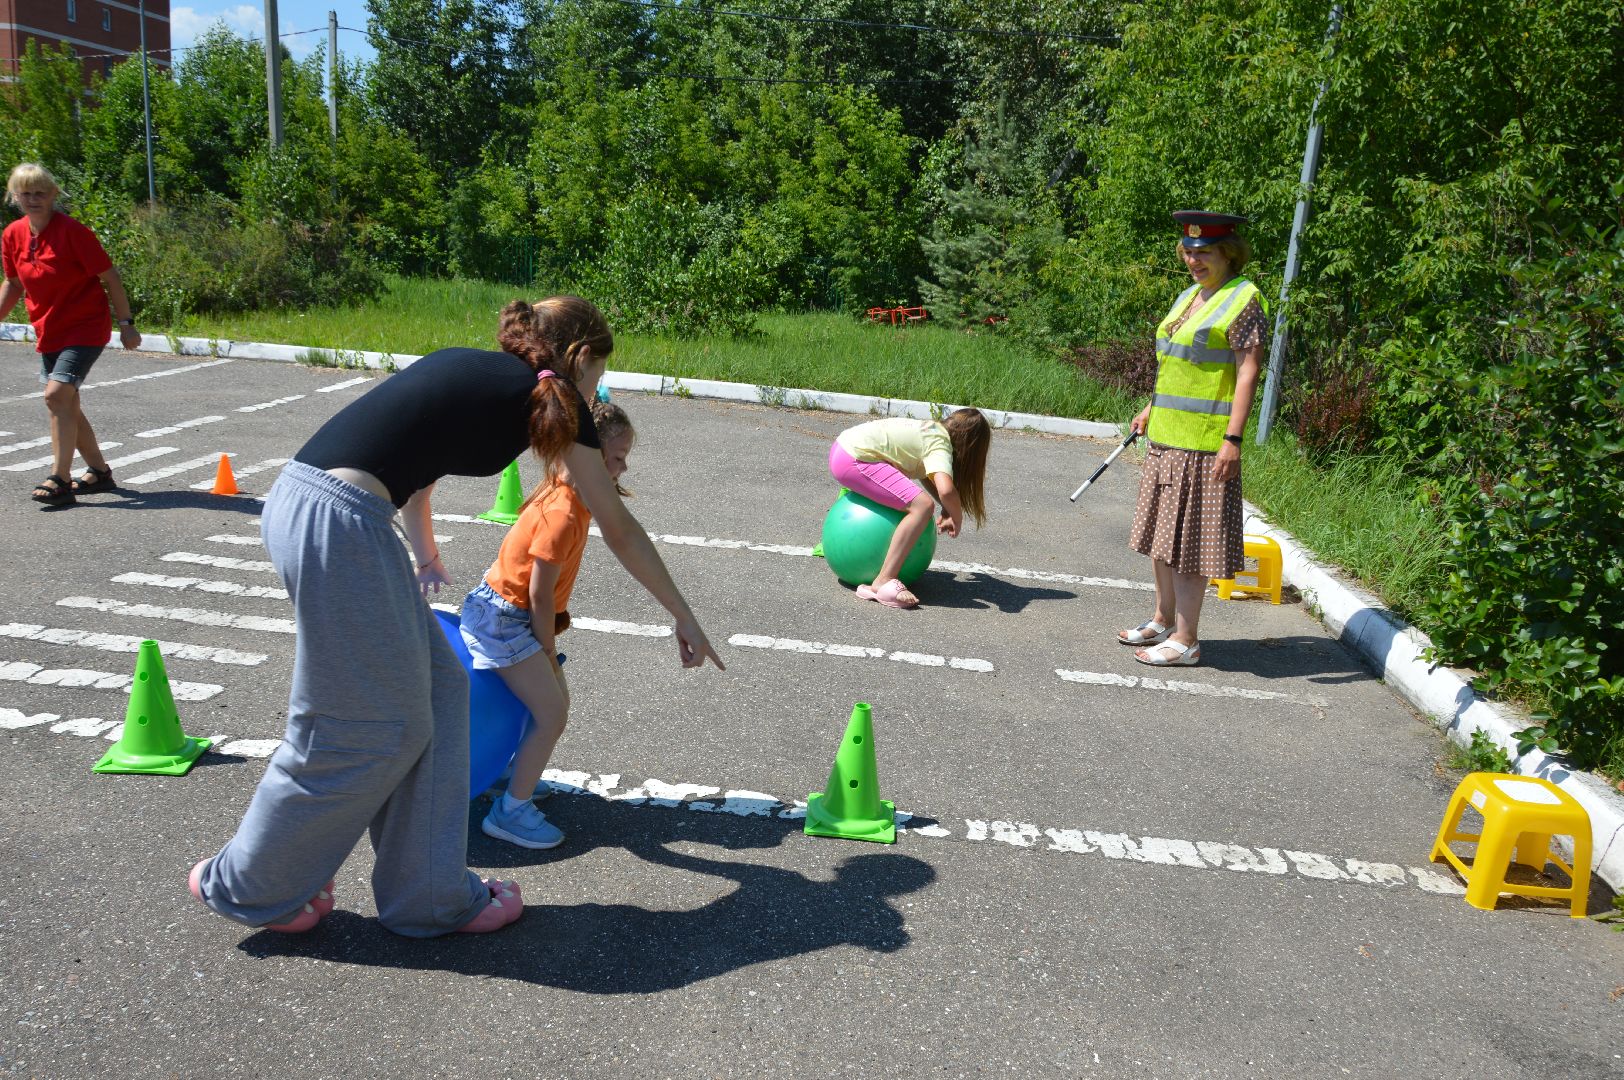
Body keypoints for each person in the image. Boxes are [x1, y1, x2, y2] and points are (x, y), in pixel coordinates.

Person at [188, 296, 724, 937]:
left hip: (326, 512)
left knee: (439, 702)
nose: (596, 389)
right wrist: (683, 614)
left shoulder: (491, 380)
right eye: (598, 372)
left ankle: (428, 896)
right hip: (338, 521)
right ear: (581, 358)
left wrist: (423, 553)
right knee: (359, 726)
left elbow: (413, 464)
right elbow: (618, 523)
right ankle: (251, 882)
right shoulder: (538, 393)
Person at [461, 399, 636, 850]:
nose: (623, 466)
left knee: (551, 702)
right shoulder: (560, 511)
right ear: (590, 457)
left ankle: (508, 771)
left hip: (513, 613)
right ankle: (510, 813)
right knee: (553, 711)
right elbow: (538, 596)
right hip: (505, 618)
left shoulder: (574, 495)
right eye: (616, 458)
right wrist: (545, 650)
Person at [1120, 210, 1268, 667]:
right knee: (1163, 539)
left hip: (1205, 444)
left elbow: (1248, 370)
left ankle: (1186, 640)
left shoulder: (1244, 298)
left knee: (1188, 546)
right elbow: (1177, 363)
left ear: (1228, 252)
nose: (1193, 260)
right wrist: (1152, 406)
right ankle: (1163, 619)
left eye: (1203, 252)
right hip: (1167, 438)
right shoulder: (1191, 295)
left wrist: (1234, 439)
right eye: (1188, 251)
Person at [0, 163, 140, 507]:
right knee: (67, 404)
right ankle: (99, 472)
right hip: (49, 328)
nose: (33, 199)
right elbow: (14, 284)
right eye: (25, 193)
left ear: (52, 195)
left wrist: (126, 324)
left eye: (40, 192)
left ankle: (60, 478)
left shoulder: (73, 232)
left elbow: (111, 277)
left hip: (85, 326)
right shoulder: (13, 234)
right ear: (15, 197)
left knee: (55, 396)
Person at [826, 410, 991, 609]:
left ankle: (882, 576)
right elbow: (947, 490)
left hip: (843, 448)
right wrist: (957, 517)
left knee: (919, 502)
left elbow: (925, 474)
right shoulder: (941, 445)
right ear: (971, 446)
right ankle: (883, 580)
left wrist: (946, 509)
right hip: (855, 459)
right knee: (922, 506)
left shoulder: (931, 430)